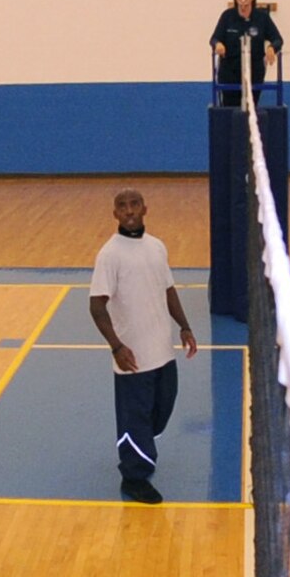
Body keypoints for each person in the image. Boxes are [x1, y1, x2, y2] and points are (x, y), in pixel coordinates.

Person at [90, 188, 198, 504]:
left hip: (162, 352)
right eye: (122, 206)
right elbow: (97, 306)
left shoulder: (157, 247)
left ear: (144, 208)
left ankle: (139, 451)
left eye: (134, 204)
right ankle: (134, 477)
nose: (129, 210)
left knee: (161, 409)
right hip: (133, 358)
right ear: (115, 214)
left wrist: (185, 325)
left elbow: (168, 289)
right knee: (134, 419)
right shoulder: (109, 254)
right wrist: (116, 346)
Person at [209, 0, 283, 106]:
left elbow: (278, 39)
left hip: (255, 71)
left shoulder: (262, 17)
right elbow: (214, 39)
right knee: (230, 110)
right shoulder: (227, 16)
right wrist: (218, 44)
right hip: (229, 72)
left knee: (251, 109)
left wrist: (271, 48)